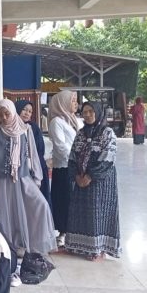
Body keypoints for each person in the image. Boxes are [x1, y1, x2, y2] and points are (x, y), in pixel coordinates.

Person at [0, 99, 56, 255]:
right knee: (7, 215)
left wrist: (38, 178)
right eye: (1, 115)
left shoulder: (24, 130)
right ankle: (10, 248)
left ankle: (34, 243)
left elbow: (33, 155)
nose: (5, 118)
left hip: (22, 178)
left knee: (41, 205)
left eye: (7, 114)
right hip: (2, 181)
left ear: (13, 112)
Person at [66, 102, 121, 261]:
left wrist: (90, 176)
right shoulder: (81, 133)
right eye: (85, 112)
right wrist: (76, 176)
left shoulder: (107, 132)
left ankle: (98, 248)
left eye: (91, 111)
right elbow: (73, 156)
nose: (88, 115)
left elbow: (107, 158)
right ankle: (80, 246)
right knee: (81, 212)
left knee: (98, 212)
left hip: (101, 182)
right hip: (80, 179)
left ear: (98, 112)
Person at [48, 89, 81, 246]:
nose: (76, 104)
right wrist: (76, 160)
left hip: (77, 167)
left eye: (75, 101)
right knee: (64, 200)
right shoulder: (57, 122)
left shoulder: (75, 120)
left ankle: (74, 231)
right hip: (64, 168)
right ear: (63, 103)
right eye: (73, 101)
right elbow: (61, 147)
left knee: (75, 200)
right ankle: (63, 232)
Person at [16, 100, 52, 208]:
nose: (27, 113)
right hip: (20, 169)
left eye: (30, 111)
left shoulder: (33, 127)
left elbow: (40, 148)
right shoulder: (12, 128)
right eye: (24, 110)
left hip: (37, 166)